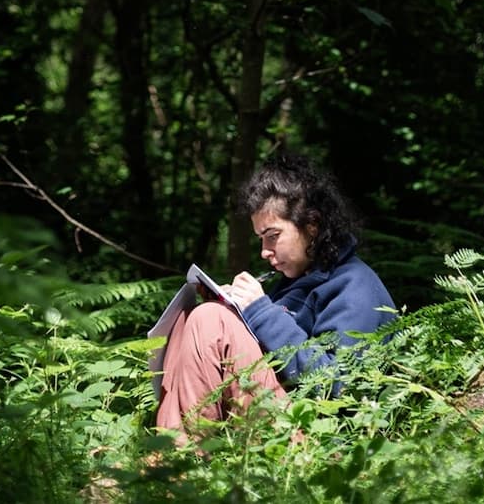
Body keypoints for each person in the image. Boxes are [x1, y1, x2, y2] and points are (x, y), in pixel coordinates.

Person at [155, 153, 396, 436]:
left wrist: (258, 311)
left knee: (211, 320)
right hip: (282, 418)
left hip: (317, 438)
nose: (264, 252)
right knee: (190, 320)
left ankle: (184, 459)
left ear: (312, 226)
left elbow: (339, 386)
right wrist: (234, 312)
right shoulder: (292, 280)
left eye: (273, 235)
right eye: (261, 239)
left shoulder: (356, 286)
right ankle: (170, 453)